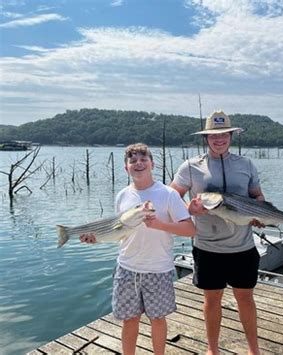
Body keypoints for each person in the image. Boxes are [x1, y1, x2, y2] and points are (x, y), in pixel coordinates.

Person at [80, 143, 196, 355]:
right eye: (133, 161)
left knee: (158, 319)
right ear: (126, 168)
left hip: (158, 270)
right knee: (129, 319)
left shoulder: (168, 194)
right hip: (127, 268)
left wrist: (160, 225)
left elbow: (190, 229)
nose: (138, 164)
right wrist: (96, 239)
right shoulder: (122, 195)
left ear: (152, 163)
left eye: (143, 160)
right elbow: (120, 234)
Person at [170, 110, 264, 355]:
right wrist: (187, 209)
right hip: (207, 247)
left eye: (223, 134)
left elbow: (257, 197)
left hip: (243, 247)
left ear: (231, 135)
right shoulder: (191, 166)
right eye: (213, 135)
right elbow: (171, 196)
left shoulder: (246, 164)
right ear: (206, 138)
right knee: (212, 301)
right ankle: (213, 350)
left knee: (246, 299)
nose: (218, 139)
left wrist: (261, 215)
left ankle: (254, 350)